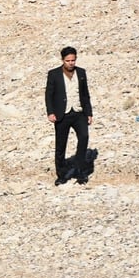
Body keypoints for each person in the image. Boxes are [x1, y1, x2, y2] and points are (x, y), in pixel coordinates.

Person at [44, 46, 93, 185]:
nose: (71, 63)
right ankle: (61, 175)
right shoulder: (54, 74)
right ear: (62, 60)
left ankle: (80, 171)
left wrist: (89, 113)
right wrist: (50, 112)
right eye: (68, 60)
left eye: (73, 60)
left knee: (84, 137)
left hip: (79, 113)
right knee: (61, 145)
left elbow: (85, 94)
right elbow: (49, 95)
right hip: (62, 114)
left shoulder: (81, 73)